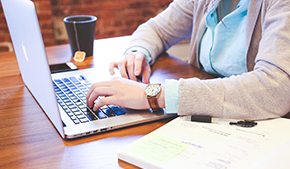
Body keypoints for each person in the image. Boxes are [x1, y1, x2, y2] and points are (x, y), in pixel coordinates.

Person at [86, 0, 290, 120]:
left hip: (262, 128)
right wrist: (138, 52)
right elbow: (157, 29)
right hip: (210, 120)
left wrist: (155, 95)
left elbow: (276, 88)